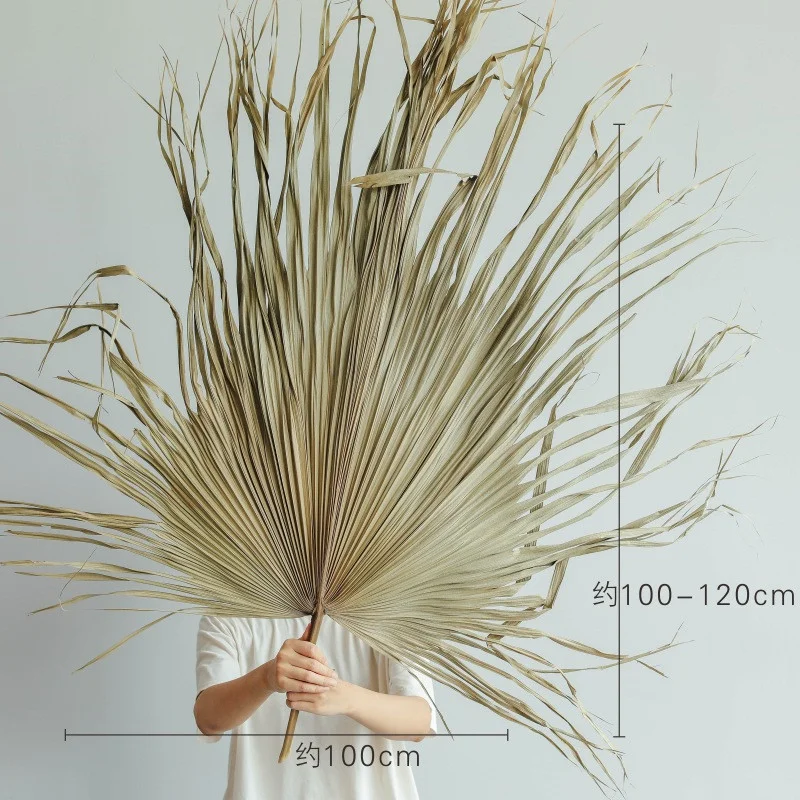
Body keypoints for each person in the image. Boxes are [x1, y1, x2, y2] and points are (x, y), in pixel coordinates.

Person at [193, 613, 437, 800]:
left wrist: (347, 698)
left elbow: (419, 721)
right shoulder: (229, 612)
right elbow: (208, 719)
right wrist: (266, 678)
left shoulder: (394, 607)